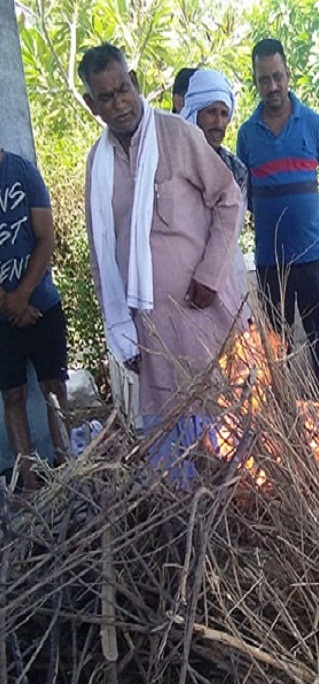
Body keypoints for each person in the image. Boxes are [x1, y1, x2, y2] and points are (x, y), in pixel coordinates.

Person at [79, 43, 243, 478]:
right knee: (170, 462)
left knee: (225, 450)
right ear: (92, 105)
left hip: (203, 322)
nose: (119, 104)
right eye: (106, 97)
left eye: (123, 89)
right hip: (149, 338)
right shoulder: (98, 165)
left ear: (134, 82)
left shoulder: (177, 135)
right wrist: (120, 333)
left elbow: (229, 200)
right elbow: (101, 255)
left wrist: (210, 274)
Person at [236, 38, 319, 404]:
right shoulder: (247, 134)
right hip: (270, 265)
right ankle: (284, 420)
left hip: (312, 260)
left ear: (288, 75)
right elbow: (244, 195)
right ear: (255, 81)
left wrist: (316, 215)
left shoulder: (313, 124)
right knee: (276, 353)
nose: (272, 86)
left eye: (277, 76)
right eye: (264, 79)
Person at [0, 148, 69, 491]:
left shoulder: (24, 172)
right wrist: (8, 303)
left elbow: (46, 237)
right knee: (12, 395)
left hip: (42, 304)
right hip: (2, 316)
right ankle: (28, 484)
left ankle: (68, 473)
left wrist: (23, 295)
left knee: (55, 389)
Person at [180, 69, 249, 301]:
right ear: (195, 112)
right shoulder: (174, 161)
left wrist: (210, 273)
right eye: (211, 112)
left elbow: (231, 230)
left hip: (224, 276)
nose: (218, 123)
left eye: (224, 114)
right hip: (179, 273)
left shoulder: (236, 170)